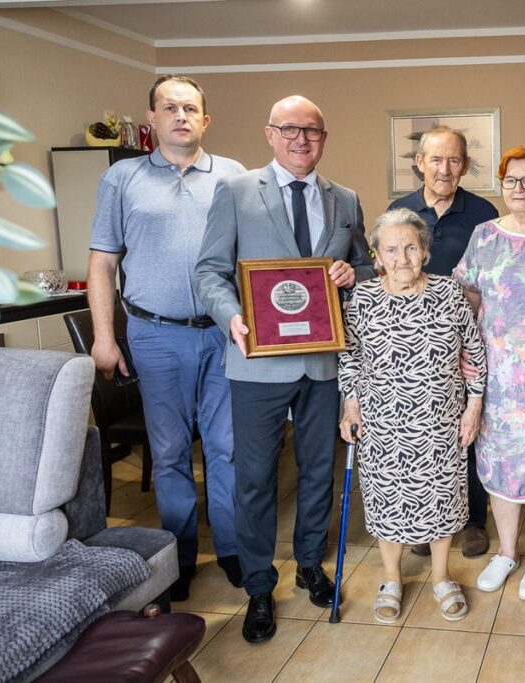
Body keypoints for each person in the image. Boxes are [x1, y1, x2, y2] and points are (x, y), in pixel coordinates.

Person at [194, 95, 373, 643]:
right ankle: (257, 587)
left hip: (323, 364)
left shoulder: (345, 199)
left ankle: (311, 566)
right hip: (255, 364)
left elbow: (366, 267)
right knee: (254, 481)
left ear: (324, 138)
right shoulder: (237, 190)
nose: (302, 139)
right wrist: (232, 320)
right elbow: (208, 272)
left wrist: (352, 274)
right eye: (290, 129)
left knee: (319, 471)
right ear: (270, 134)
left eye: (313, 132)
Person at [88, 74, 245, 601]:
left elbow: (254, 261)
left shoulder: (233, 175)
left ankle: (231, 550)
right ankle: (177, 558)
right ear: (151, 120)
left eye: (190, 108)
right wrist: (104, 338)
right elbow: (103, 262)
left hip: (225, 336)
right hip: (156, 336)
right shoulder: (123, 178)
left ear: (206, 120)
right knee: (171, 450)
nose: (180, 116)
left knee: (226, 448)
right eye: (168, 107)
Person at [338, 208, 487, 623]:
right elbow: (349, 358)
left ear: (424, 250)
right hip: (382, 424)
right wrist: (350, 405)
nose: (402, 257)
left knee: (440, 499)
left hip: (440, 420)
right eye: (391, 249)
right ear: (377, 256)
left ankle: (441, 576)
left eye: (410, 247)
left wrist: (473, 407)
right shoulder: (363, 299)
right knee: (387, 501)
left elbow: (474, 354)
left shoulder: (448, 293)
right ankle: (391, 578)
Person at [452, 145, 525, 601]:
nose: (519, 189)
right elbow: (469, 302)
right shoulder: (484, 235)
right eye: (511, 180)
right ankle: (506, 551)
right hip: (497, 379)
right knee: (499, 466)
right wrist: (464, 361)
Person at [388, 126, 498, 558]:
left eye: (454, 160)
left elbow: (491, 278)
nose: (444, 169)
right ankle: (424, 518)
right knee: (423, 434)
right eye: (436, 160)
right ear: (419, 163)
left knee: (469, 430)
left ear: (465, 166)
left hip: (469, 339)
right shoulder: (400, 211)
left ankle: (473, 520)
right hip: (415, 347)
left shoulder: (485, 213)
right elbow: (389, 274)